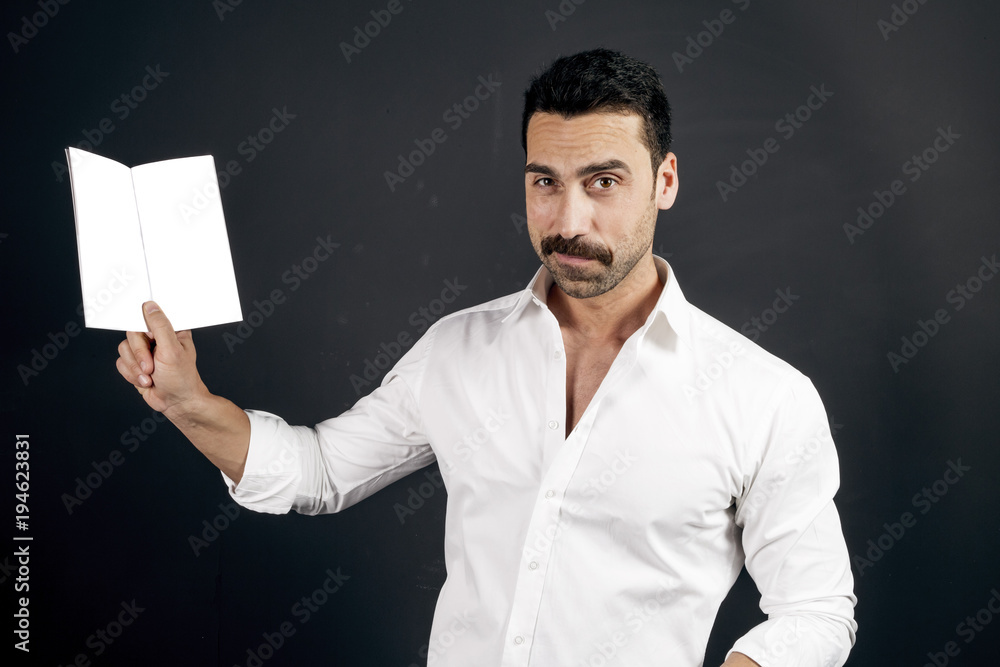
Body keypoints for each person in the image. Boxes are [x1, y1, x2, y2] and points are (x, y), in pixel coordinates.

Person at [116, 48, 856, 666]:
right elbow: (318, 471)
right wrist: (189, 402)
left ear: (664, 180)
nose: (570, 220)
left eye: (604, 181)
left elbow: (817, 610)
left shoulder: (764, 397)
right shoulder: (458, 349)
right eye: (546, 183)